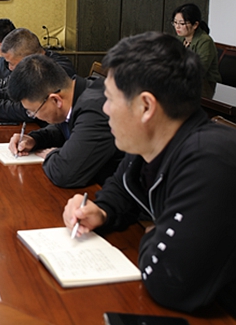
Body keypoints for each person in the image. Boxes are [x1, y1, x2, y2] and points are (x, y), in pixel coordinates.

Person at [63, 32, 236, 315]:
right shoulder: (152, 143)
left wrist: (154, 233)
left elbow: (168, 280)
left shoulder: (209, 161)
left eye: (110, 99)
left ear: (146, 107)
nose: (104, 109)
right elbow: (121, 188)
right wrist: (102, 211)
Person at [8, 54, 123, 188]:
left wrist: (53, 154)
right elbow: (63, 127)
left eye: (33, 111)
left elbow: (64, 173)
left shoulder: (96, 108)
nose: (34, 116)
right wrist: (35, 139)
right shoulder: (76, 92)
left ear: (56, 100)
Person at [0, 28, 75, 122]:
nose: (10, 68)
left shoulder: (56, 70)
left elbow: (32, 110)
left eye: (12, 63)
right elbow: (23, 88)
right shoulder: (36, 65)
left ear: (30, 58)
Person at [171, 3, 221, 97]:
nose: (177, 27)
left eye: (182, 23)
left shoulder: (205, 41)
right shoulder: (180, 38)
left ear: (195, 25)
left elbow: (198, 70)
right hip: (182, 81)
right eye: (175, 22)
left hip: (204, 86)